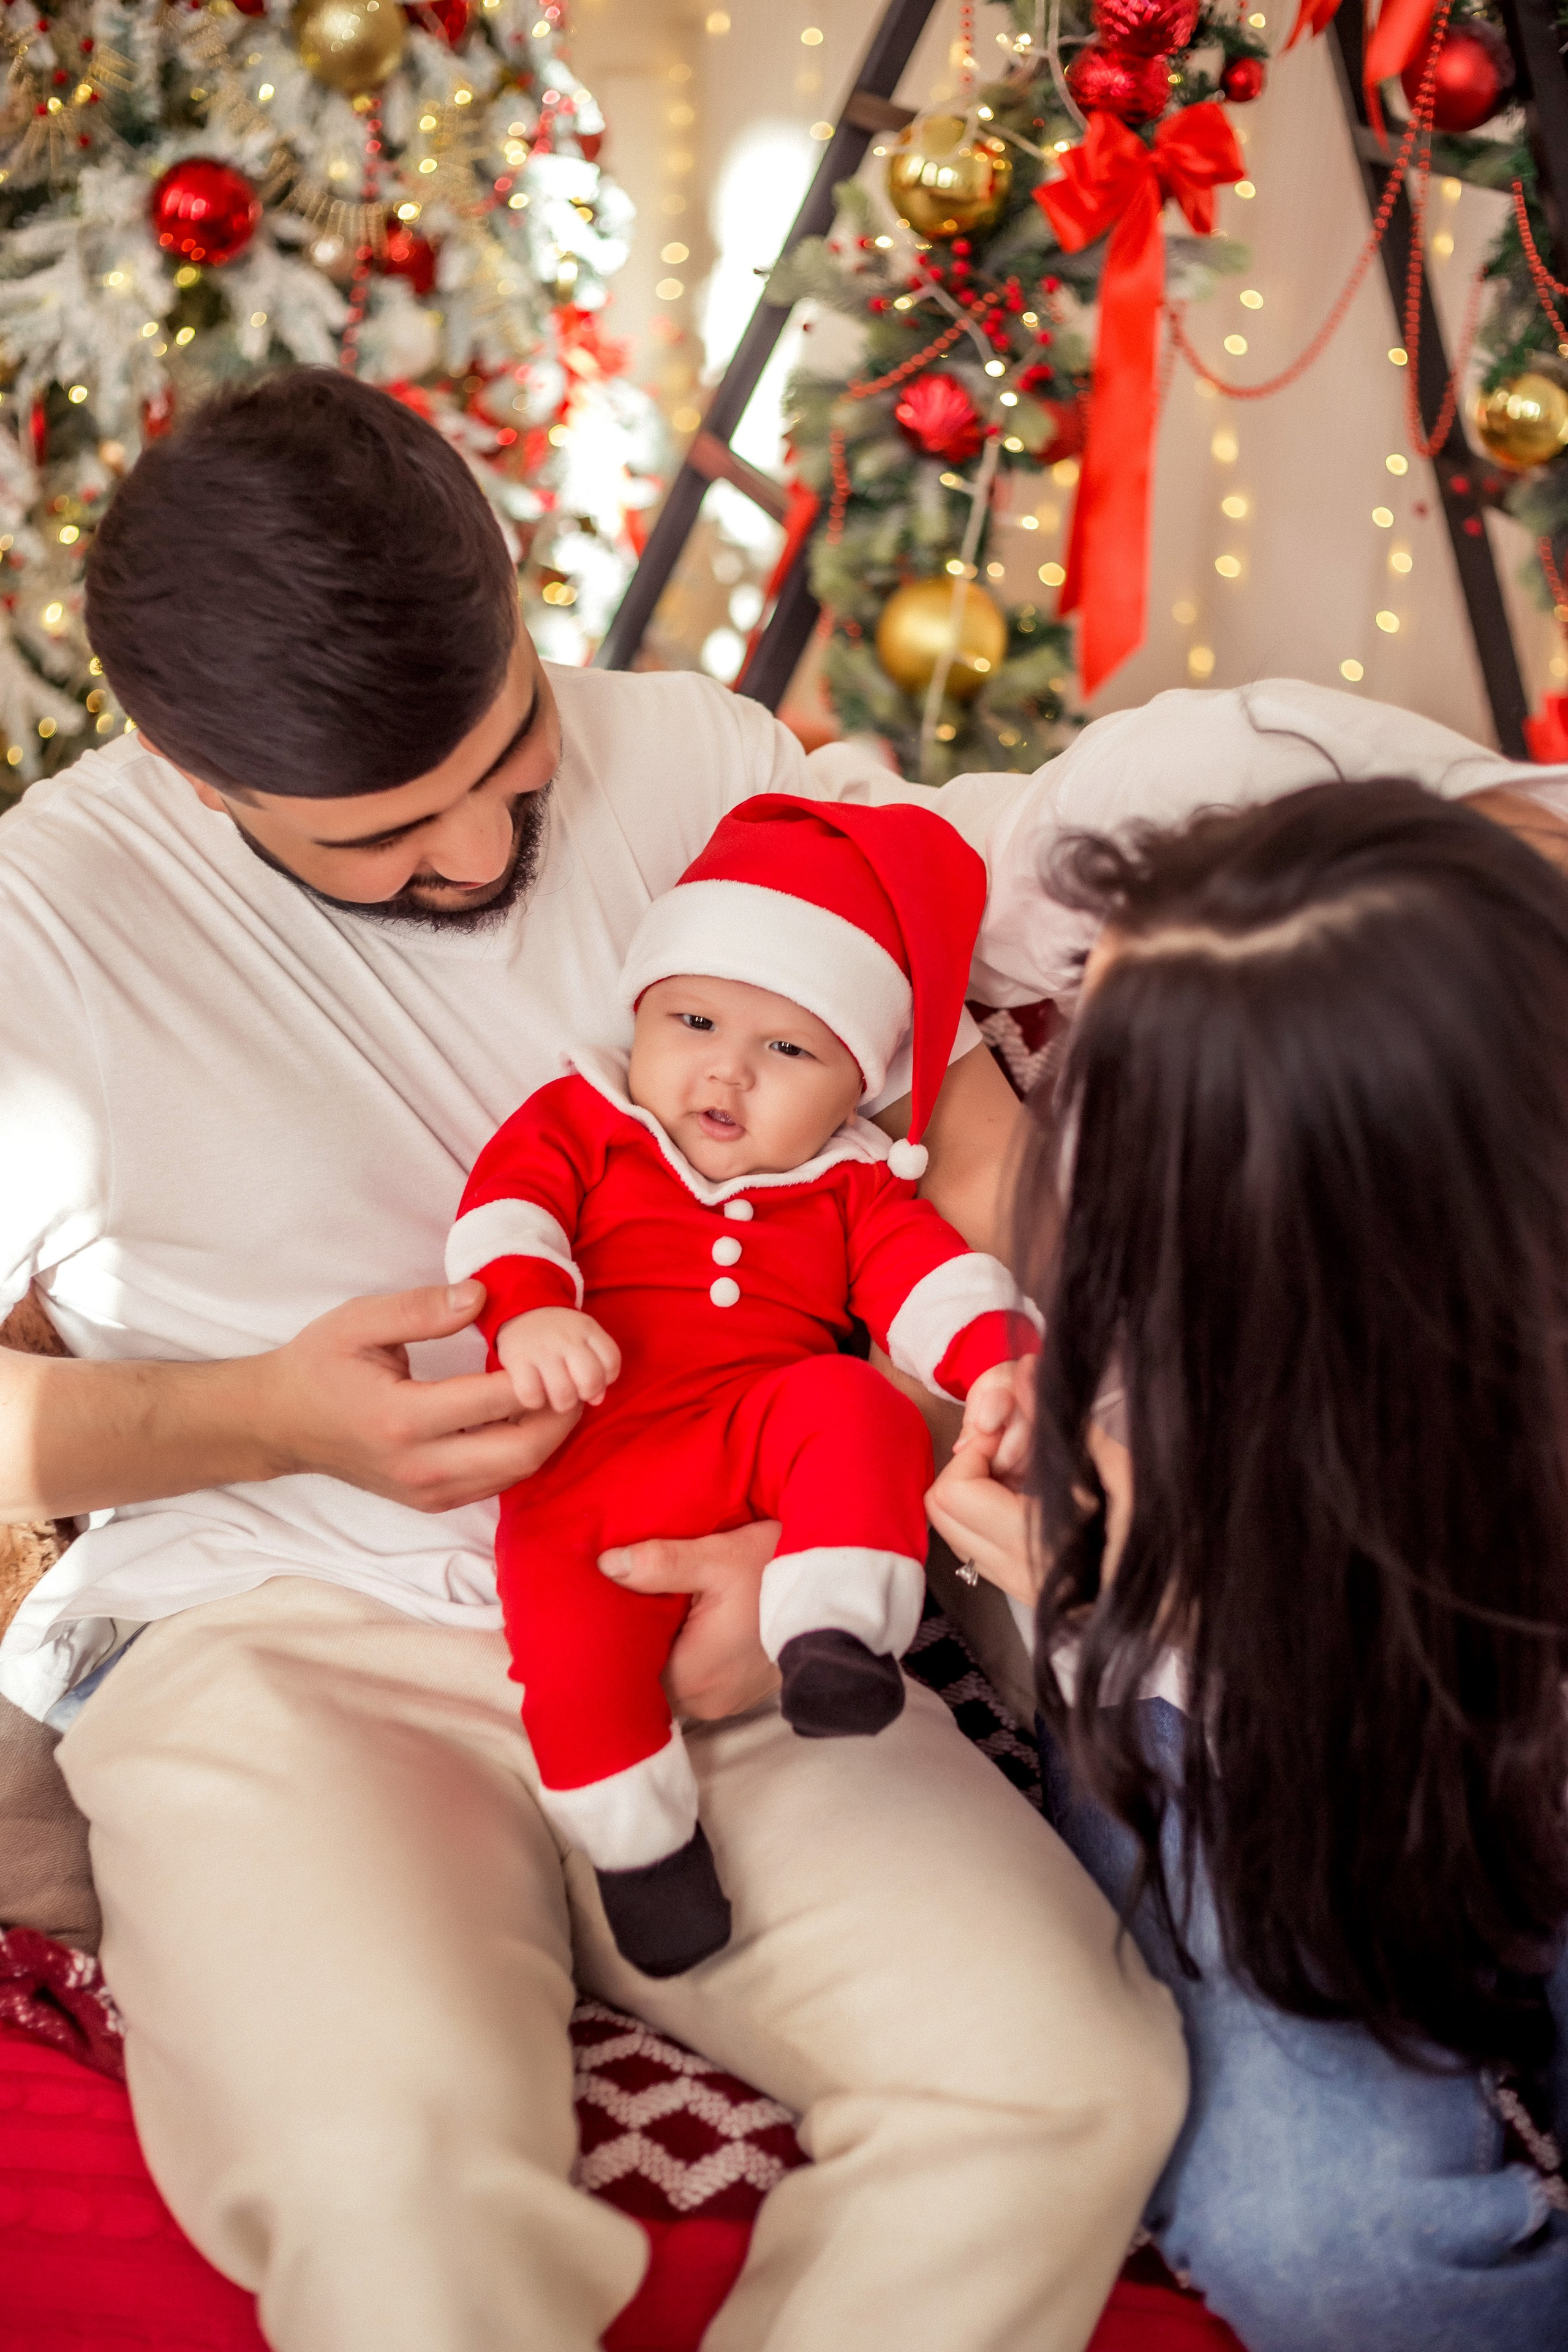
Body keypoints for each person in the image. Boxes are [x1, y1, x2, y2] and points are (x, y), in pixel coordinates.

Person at [0, 369, 1185, 2352]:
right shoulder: (45, 925)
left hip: (730, 1606)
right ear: (201, 780)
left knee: (1069, 2084)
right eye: (385, 835)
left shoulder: (703, 749)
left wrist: (856, 1482)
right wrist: (264, 1416)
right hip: (287, 1636)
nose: (480, 846)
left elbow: (952, 1168)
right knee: (397, 2191)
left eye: (511, 755)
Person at [929, 780, 1568, 2352]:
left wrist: (1162, 1570)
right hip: (1216, 1735)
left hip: (1480, 1720)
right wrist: (1110, 1573)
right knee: (1330, 2235)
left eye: (1124, 1109)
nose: (1067, 1121)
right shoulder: (1144, 1278)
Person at [461, 793, 1036, 1974]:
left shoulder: (851, 1184)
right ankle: (641, 1854)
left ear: (852, 1090)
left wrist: (995, 1362)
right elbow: (505, 1209)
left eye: (788, 1050)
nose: (725, 1071)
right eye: (693, 1020)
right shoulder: (588, 1117)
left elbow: (930, 1280)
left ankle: (832, 1629)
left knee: (855, 1407)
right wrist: (533, 1311)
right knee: (568, 1648)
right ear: (640, 1015)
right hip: (586, 1451)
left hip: (754, 1435)